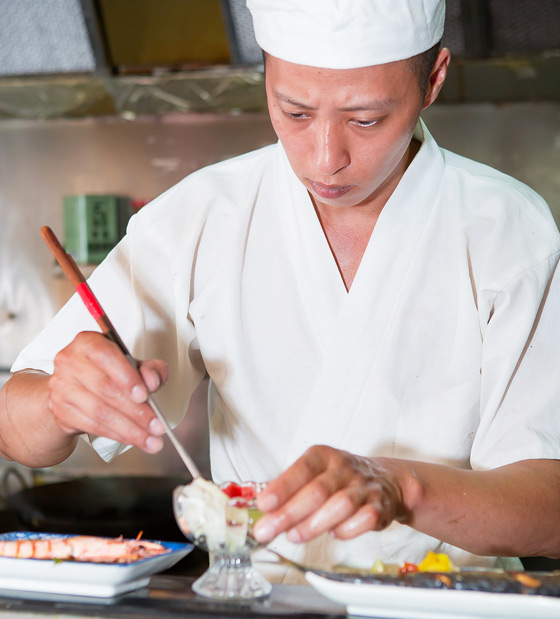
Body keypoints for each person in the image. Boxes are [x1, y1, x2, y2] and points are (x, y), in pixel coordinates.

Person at [1, 0, 560, 581]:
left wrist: (400, 488)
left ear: (434, 79)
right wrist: (58, 402)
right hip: (259, 601)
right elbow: (14, 426)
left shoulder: (508, 230)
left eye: (365, 119)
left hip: (451, 604)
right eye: (293, 112)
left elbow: (549, 509)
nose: (325, 159)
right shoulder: (204, 216)